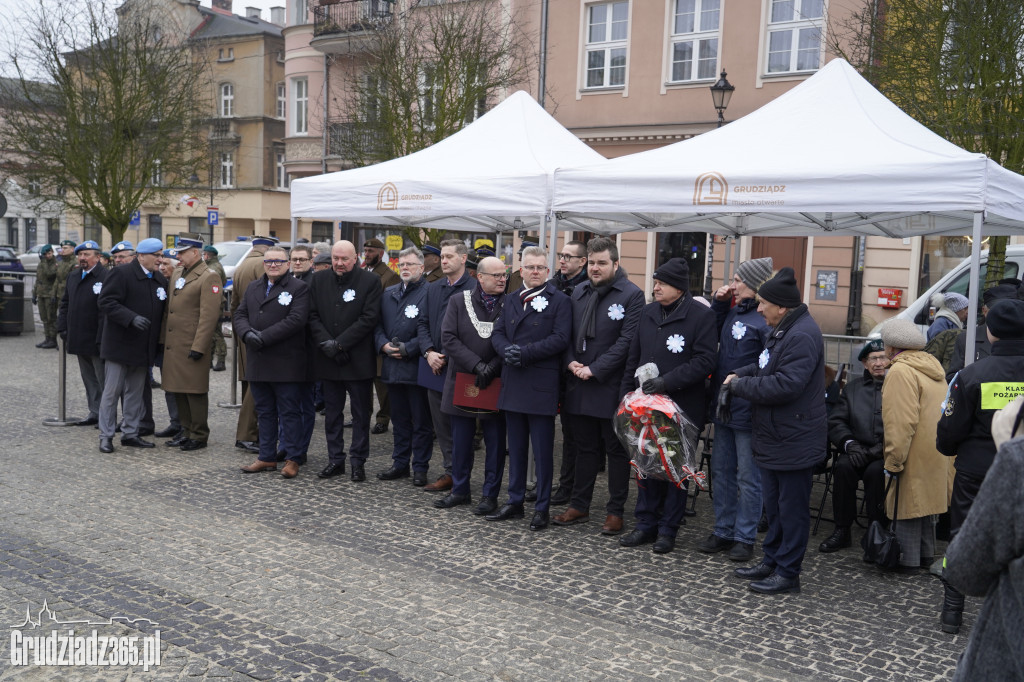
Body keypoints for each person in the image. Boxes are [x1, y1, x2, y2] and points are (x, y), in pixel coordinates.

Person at [724, 267, 826, 594]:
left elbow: (786, 384)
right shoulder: (782, 328)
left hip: (793, 439)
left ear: (781, 307)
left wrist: (741, 386)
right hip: (775, 437)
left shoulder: (801, 334)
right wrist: (742, 372)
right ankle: (772, 560)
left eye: (763, 303)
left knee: (791, 511)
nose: (758, 308)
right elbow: (767, 366)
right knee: (776, 508)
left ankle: (788, 572)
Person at [936, 297, 1024, 633]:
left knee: (961, 536)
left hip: (976, 469)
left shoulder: (971, 374)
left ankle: (952, 612)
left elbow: (950, 427)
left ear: (992, 334)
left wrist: (947, 447)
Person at [618, 258, 717, 554]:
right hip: (644, 406)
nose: (656, 287)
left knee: (675, 467)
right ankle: (645, 523)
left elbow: (704, 361)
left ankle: (668, 529)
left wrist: (667, 382)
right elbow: (633, 357)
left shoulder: (701, 316)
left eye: (662, 283)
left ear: (679, 287)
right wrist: (625, 394)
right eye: (655, 281)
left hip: (681, 407)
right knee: (646, 463)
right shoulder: (648, 313)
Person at [554, 237, 644, 535]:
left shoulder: (632, 295)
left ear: (615, 264)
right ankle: (579, 504)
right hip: (578, 382)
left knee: (616, 451)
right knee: (584, 449)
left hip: (610, 385)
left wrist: (596, 369)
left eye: (602, 263)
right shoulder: (578, 291)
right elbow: (564, 334)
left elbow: (627, 342)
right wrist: (570, 363)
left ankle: (615, 511)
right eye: (592, 262)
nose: (595, 268)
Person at [488, 246, 571, 531]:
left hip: (539, 383)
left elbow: (560, 339)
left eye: (540, 268)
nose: (535, 272)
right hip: (513, 381)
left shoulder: (559, 301)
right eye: (530, 267)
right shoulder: (510, 299)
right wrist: (505, 350)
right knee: (517, 447)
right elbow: (497, 332)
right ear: (520, 269)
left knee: (542, 450)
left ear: (548, 271)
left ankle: (542, 507)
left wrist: (524, 353)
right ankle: (514, 501)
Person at [698, 257, 773, 562]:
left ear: (755, 285)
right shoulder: (732, 312)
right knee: (721, 470)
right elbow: (710, 333)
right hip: (723, 404)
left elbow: (768, 362)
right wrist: (717, 305)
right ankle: (723, 530)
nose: (733, 284)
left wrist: (740, 376)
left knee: (747, 476)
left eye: (739, 279)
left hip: (746, 406)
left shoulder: (762, 319)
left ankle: (745, 536)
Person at [943, 426, 1024, 681]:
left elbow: (965, 570)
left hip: (1004, 662)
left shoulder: (1017, 459)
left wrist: (1007, 448)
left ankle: (952, 613)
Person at [434, 255, 508, 513]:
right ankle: (460, 489)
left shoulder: (510, 304)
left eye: (504, 275)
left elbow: (513, 338)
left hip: (496, 381)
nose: (502, 280)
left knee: (496, 443)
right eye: (497, 275)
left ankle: (490, 495)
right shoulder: (458, 301)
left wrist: (493, 366)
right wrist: (477, 365)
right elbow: (449, 338)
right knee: (461, 441)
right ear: (481, 277)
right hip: (463, 378)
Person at [876, 319, 950, 572]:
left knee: (907, 504)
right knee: (925, 506)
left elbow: (900, 421)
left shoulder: (900, 371)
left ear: (891, 346)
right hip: (936, 450)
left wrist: (893, 460)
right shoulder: (931, 367)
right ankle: (925, 555)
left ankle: (906, 559)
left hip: (913, 451)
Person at [308, 240, 382, 482]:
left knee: (361, 414)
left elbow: (369, 318)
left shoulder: (370, 282)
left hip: (357, 359)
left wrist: (340, 343)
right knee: (332, 413)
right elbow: (312, 315)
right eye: (335, 259)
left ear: (355, 258)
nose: (339, 263)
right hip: (328, 358)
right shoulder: (318, 280)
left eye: (344, 259)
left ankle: (358, 461)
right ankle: (335, 459)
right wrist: (327, 343)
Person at [236, 245, 312, 479]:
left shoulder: (299, 288)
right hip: (258, 361)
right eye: (269, 262)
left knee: (289, 412)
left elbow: (296, 319)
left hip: (286, 362)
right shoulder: (253, 287)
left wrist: (264, 337)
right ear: (264, 264)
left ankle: (293, 458)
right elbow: (239, 314)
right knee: (264, 411)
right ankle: (267, 456)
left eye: (278, 261)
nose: (273, 265)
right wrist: (247, 334)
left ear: (288, 264)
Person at [95, 238, 167, 453]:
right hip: (120, 345)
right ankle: (106, 436)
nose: (160, 260)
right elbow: (106, 302)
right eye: (156, 255)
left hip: (143, 347)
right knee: (112, 392)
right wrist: (131, 318)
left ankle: (130, 433)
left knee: (135, 392)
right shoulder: (122, 273)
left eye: (161, 255)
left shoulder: (159, 279)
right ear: (141, 256)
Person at [818, 338, 889, 553]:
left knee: (876, 473)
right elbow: (837, 421)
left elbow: (905, 425)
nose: (878, 363)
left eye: (883, 357)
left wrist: (879, 449)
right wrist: (849, 444)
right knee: (843, 468)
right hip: (857, 449)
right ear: (865, 364)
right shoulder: (853, 388)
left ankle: (877, 532)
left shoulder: (899, 385)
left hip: (884, 453)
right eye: (873, 359)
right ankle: (842, 530)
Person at [418, 238, 475, 492]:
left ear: (463, 259)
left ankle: (461, 475)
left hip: (459, 368)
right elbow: (422, 323)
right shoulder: (433, 287)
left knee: (460, 427)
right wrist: (429, 351)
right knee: (440, 425)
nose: (443, 260)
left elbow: (475, 334)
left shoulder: (474, 288)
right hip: (434, 366)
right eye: (442, 256)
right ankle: (449, 471)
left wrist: (447, 356)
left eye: (449, 256)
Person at [373, 247, 432, 484]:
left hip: (417, 368)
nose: (405, 268)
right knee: (399, 420)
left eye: (410, 264)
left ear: (421, 267)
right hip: (392, 368)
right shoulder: (389, 293)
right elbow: (376, 326)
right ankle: (400, 464)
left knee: (421, 422)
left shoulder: (430, 292)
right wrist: (383, 345)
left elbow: (432, 330)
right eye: (402, 264)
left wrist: (409, 348)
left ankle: (420, 467)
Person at [160, 235, 223, 451]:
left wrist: (199, 346)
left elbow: (209, 316)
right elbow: (170, 309)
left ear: (195, 252)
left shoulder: (208, 277)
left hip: (191, 344)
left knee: (194, 391)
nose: (177, 256)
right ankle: (185, 431)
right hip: (175, 343)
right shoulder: (178, 273)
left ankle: (198, 434)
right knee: (178, 389)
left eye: (182, 252)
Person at [549, 239, 591, 506]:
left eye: (568, 256)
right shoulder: (553, 285)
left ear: (582, 262)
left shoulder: (587, 289)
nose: (562, 260)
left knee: (576, 436)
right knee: (563, 432)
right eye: (560, 255)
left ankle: (571, 487)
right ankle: (561, 484)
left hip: (580, 368)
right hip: (557, 368)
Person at [56, 240, 108, 427]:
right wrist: (62, 327)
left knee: (103, 379)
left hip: (97, 337)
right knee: (88, 378)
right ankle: (94, 411)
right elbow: (65, 303)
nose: (82, 258)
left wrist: (103, 336)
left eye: (87, 255)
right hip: (78, 336)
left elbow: (107, 310)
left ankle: (107, 415)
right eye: (80, 255)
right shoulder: (74, 275)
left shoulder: (105, 276)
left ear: (98, 257)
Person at [231, 236, 275, 452]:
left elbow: (234, 304)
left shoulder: (242, 266)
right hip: (258, 333)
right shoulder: (261, 265)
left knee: (249, 382)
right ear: (267, 250)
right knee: (256, 384)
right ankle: (248, 433)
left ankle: (249, 431)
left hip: (244, 331)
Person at [944, 282, 1020, 381]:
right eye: (997, 311)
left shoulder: (1020, 338)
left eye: (1009, 311)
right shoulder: (967, 339)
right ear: (984, 311)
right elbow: (952, 378)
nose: (1003, 316)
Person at [364, 237, 400, 436]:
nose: (367, 254)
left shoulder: (389, 276)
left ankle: (383, 418)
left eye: (371, 251)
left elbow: (389, 309)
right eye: (366, 250)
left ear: (381, 253)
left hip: (379, 333)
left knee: (381, 382)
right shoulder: (363, 273)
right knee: (364, 379)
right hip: (363, 335)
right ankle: (362, 415)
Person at [154, 249, 183, 440]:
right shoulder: (160, 283)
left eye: (166, 265)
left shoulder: (181, 285)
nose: (162, 268)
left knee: (179, 385)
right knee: (168, 385)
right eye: (160, 264)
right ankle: (175, 422)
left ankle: (183, 424)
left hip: (178, 343)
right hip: (163, 342)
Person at [202, 245, 228, 372]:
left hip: (214, 303)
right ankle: (210, 360)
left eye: (204, 255)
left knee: (216, 332)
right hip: (216, 302)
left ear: (207, 256)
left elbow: (214, 288)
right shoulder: (216, 266)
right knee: (212, 332)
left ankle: (221, 360)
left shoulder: (212, 269)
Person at [32, 243, 59, 349]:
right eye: (45, 254)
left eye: (49, 253)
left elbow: (49, 274)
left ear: (52, 252)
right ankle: (47, 338)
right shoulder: (41, 264)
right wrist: (34, 294)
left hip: (50, 294)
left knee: (51, 317)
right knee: (44, 318)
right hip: (41, 294)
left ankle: (53, 339)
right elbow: (38, 280)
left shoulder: (55, 263)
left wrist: (43, 261)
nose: (47, 256)